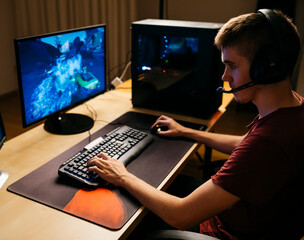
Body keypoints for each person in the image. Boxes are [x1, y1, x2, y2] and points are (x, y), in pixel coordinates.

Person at [88, 9, 304, 239]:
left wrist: (122, 176)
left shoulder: (268, 143)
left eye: (232, 66)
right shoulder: (293, 108)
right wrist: (189, 132)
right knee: (161, 187)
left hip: (223, 232)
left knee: (124, 224)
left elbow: (181, 216)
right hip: (239, 217)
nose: (224, 77)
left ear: (267, 67)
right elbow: (245, 144)